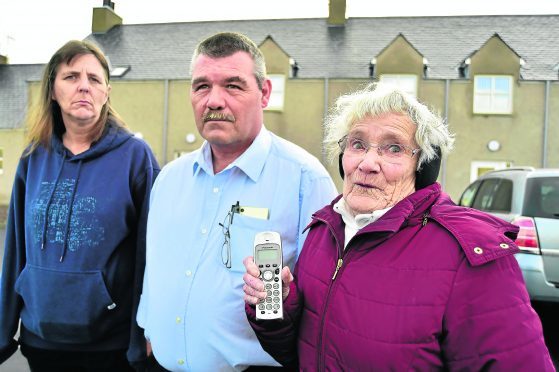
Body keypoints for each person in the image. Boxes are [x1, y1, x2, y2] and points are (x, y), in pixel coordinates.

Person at [243, 83, 555, 370]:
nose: (367, 163)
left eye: (394, 149)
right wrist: (278, 308)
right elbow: (301, 355)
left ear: (424, 166)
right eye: (357, 144)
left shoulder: (472, 256)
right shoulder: (324, 230)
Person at [136, 32, 337, 371]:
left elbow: (323, 301)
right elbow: (154, 269)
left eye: (232, 85)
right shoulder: (169, 179)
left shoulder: (306, 180)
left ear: (265, 93)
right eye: (202, 86)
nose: (214, 101)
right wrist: (149, 330)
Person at [0, 40, 159, 371]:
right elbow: (15, 248)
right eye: (71, 76)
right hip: (40, 342)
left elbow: (151, 255)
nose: (84, 86)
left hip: (108, 347)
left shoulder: (135, 158)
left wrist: (141, 335)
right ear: (53, 91)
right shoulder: (33, 157)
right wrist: (3, 332)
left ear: (106, 92)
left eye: (95, 79)